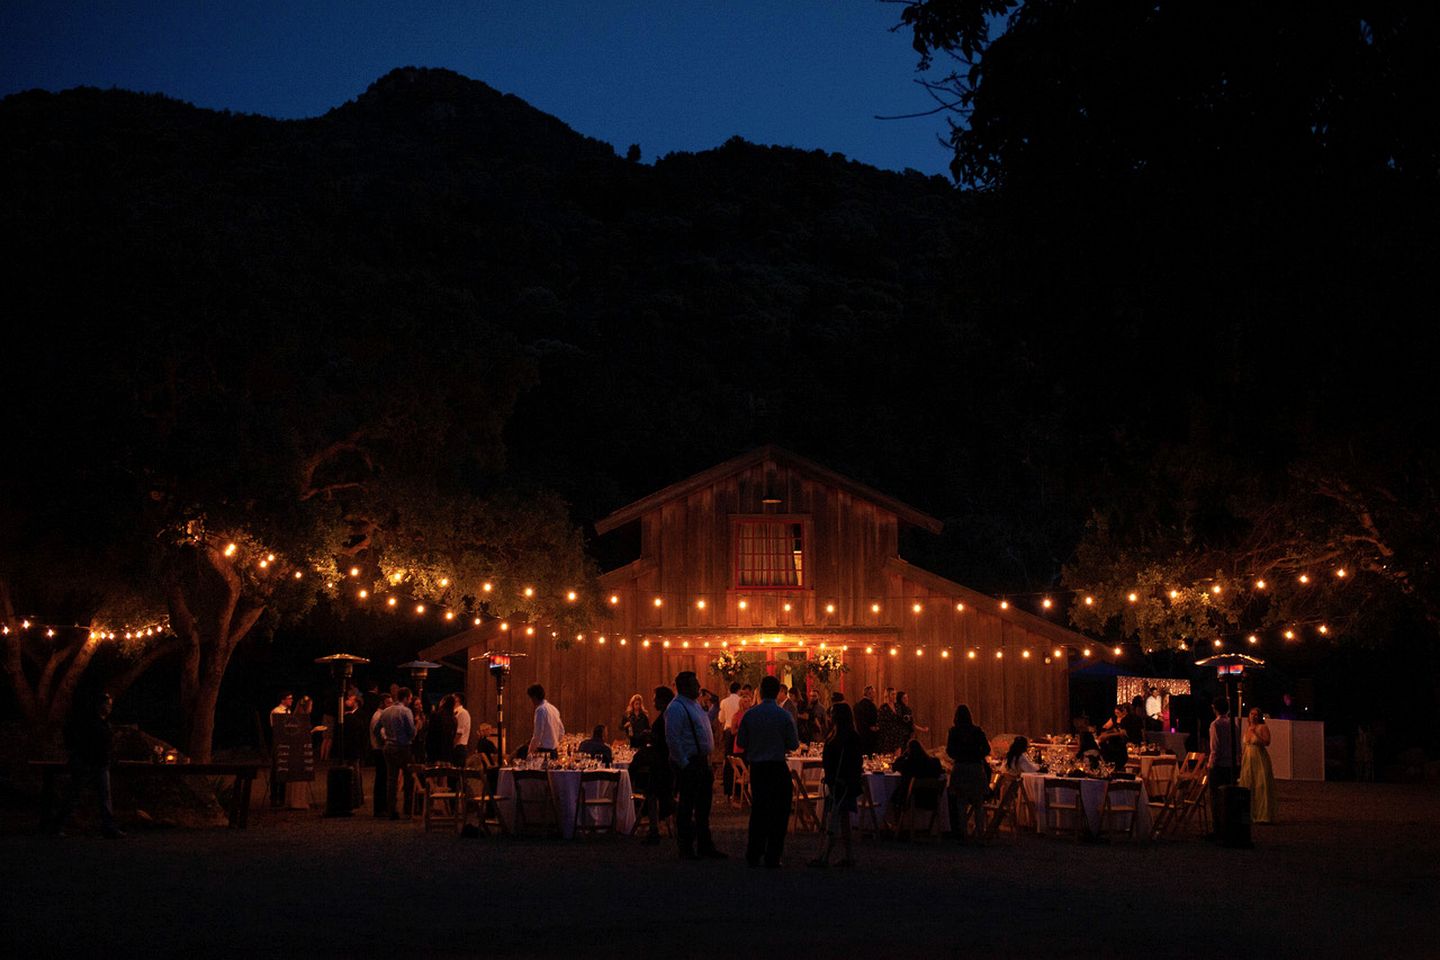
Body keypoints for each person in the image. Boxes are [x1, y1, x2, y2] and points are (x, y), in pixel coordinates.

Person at [737, 675, 800, 868]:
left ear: (761, 692)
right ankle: (773, 855)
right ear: (777, 692)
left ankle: (754, 852)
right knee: (779, 813)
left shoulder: (750, 715)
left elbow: (740, 743)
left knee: (758, 811)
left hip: (758, 768)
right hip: (777, 767)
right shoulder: (784, 716)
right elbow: (793, 744)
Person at [665, 671, 727, 860]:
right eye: (695, 683)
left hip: (702, 762)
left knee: (703, 807)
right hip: (690, 763)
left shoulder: (693, 705)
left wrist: (716, 707)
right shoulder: (676, 708)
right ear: (684, 687)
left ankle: (704, 845)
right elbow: (673, 739)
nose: (699, 686)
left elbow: (704, 722)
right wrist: (684, 763)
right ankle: (686, 848)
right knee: (687, 806)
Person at [46, 690, 124, 838]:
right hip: (86, 763)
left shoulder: (104, 722)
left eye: (110, 705)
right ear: (99, 705)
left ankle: (108, 827)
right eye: (107, 704)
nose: (109, 708)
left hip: (100, 763)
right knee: (74, 795)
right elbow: (81, 739)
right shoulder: (88, 722)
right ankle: (57, 826)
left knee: (104, 797)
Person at [809, 701, 861, 868]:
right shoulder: (852, 736)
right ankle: (849, 855)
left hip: (839, 782)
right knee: (843, 819)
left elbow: (832, 761)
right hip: (846, 782)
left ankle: (825, 855)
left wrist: (834, 778)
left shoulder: (837, 738)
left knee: (833, 820)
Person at [637, 686, 676, 844]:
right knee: (664, 796)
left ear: (662, 700)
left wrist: (650, 737)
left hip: (661, 762)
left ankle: (654, 831)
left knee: (654, 795)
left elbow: (666, 740)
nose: (653, 702)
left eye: (655, 699)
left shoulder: (666, 717)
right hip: (664, 761)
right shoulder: (668, 715)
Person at [945, 704, 990, 843]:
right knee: (978, 802)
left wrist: (959, 756)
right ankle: (980, 833)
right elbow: (987, 749)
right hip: (976, 767)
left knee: (961, 802)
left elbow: (949, 750)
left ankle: (963, 834)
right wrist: (977, 755)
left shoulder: (954, 731)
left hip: (960, 767)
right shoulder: (977, 731)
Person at [377, 688, 417, 820]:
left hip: (389, 746)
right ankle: (408, 808)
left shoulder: (386, 711)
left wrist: (385, 737)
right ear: (405, 698)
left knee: (391, 779)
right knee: (408, 778)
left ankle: (391, 810)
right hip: (403, 747)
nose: (410, 701)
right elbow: (411, 731)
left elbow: (379, 728)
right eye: (410, 698)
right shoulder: (406, 711)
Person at [1207, 696, 1240, 840]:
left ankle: (1218, 829)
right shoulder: (1234, 724)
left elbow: (1215, 748)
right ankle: (1229, 825)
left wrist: (1211, 765)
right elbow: (1237, 745)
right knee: (1228, 796)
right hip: (1231, 765)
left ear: (1214, 708)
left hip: (1219, 766)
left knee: (1215, 798)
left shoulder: (1216, 725)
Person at [1238, 707, 1278, 823]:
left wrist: (1256, 733)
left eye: (1256, 714)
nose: (1253, 716)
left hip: (1259, 758)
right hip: (1248, 758)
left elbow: (1267, 742)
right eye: (1251, 714)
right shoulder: (1247, 728)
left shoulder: (1262, 727)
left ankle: (1263, 814)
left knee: (1261, 784)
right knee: (1248, 784)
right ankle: (1249, 812)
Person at [369, 693, 392, 817]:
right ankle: (380, 808)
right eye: (388, 703)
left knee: (382, 779)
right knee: (381, 779)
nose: (391, 705)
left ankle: (382, 807)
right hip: (380, 750)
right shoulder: (379, 716)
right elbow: (378, 734)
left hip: (380, 749)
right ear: (382, 703)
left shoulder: (380, 715)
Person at [718, 682, 743, 798]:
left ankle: (728, 789)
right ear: (739, 690)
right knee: (739, 759)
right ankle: (738, 790)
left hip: (728, 732)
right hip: (739, 732)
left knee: (729, 760)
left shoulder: (724, 702)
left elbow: (721, 719)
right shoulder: (741, 701)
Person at [526, 684, 564, 758]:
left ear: (534, 697)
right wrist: (554, 742)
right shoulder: (553, 709)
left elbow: (538, 734)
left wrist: (530, 751)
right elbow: (562, 731)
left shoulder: (540, 710)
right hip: (554, 752)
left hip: (544, 752)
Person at [854, 686, 880, 756]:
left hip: (860, 734)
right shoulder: (871, 705)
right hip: (870, 736)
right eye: (873, 693)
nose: (874, 695)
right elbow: (874, 719)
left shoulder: (858, 705)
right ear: (869, 693)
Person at [877, 687, 902, 754]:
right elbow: (880, 723)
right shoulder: (883, 708)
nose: (894, 696)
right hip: (887, 737)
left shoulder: (898, 706)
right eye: (892, 694)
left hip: (897, 736)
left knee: (897, 757)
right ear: (888, 695)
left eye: (895, 694)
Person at [451, 692, 472, 768]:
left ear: (457, 700)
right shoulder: (455, 713)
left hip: (459, 747)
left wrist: (451, 745)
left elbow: (459, 733)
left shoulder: (462, 713)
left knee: (457, 772)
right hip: (456, 747)